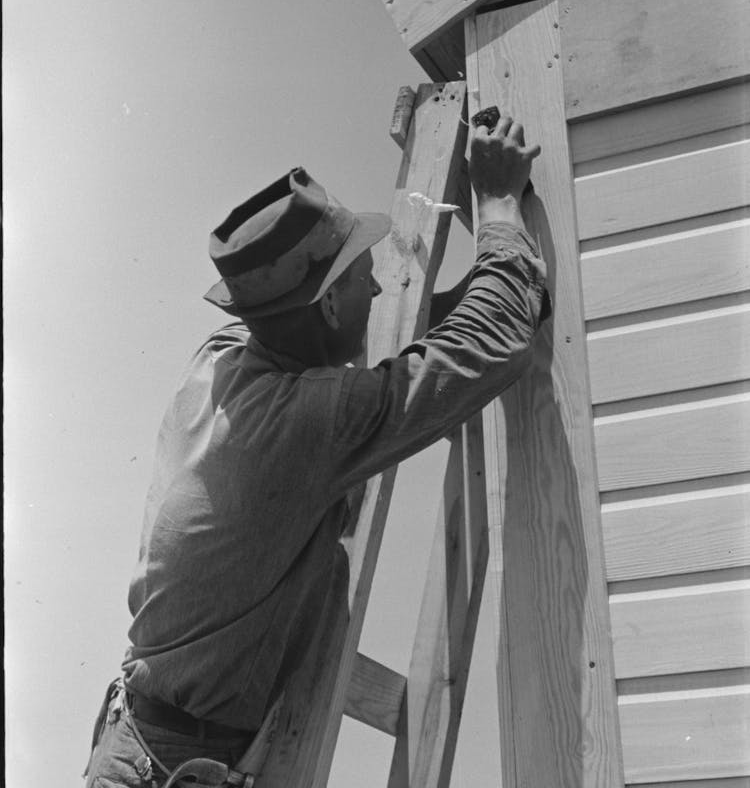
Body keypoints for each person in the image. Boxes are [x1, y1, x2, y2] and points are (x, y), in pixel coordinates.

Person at [83, 108, 549, 786]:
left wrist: (442, 306)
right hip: (168, 766)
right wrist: (501, 206)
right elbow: (491, 343)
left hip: (147, 743)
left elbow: (353, 367)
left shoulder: (221, 363)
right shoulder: (299, 426)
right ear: (329, 308)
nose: (385, 287)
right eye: (366, 277)